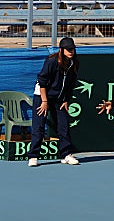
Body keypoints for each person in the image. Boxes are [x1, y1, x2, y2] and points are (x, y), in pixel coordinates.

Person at [27, 37, 80, 166]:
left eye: (72, 49)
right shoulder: (52, 61)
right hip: (42, 95)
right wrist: (44, 101)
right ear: (61, 50)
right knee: (39, 126)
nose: (71, 51)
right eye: (68, 49)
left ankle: (66, 154)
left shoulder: (75, 63)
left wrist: (66, 100)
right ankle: (33, 156)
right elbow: (42, 81)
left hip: (59, 99)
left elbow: (70, 84)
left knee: (63, 126)